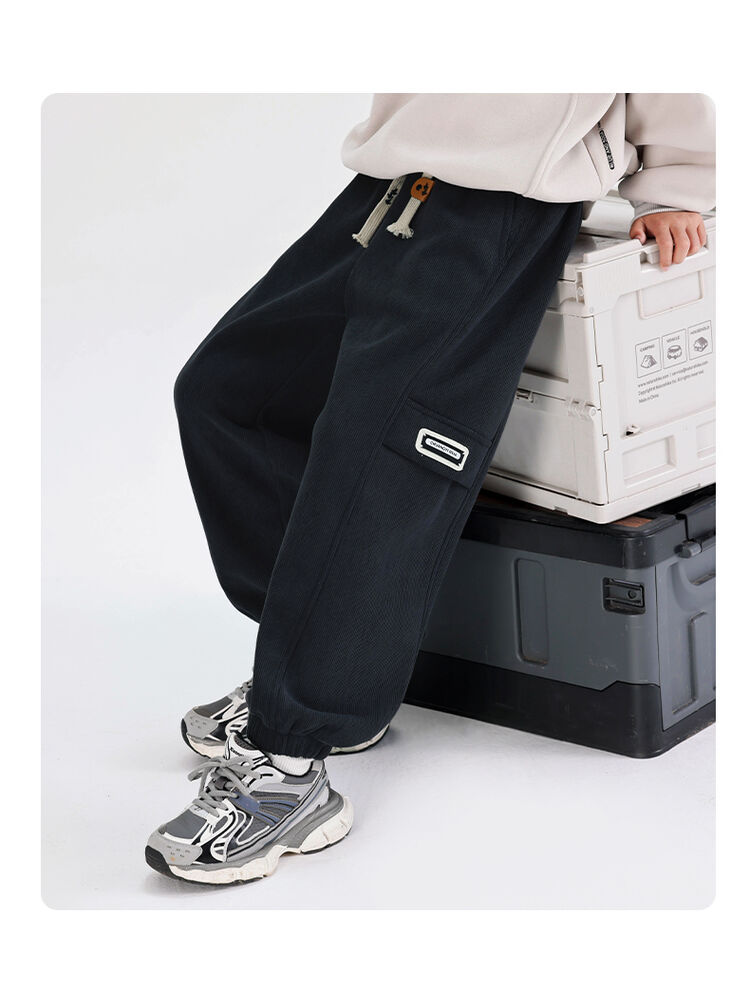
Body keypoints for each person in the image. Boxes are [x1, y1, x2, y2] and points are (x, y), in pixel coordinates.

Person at [145, 94, 715, 884]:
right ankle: (311, 665)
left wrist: (680, 183)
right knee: (227, 394)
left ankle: (292, 759)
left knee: (378, 460)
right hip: (396, 181)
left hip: (503, 205)